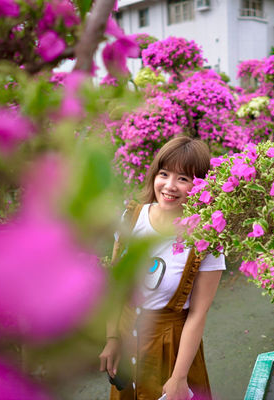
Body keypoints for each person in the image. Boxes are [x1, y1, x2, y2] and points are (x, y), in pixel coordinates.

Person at [99, 136, 225, 400]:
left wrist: (179, 377)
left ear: (199, 185)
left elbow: (197, 315)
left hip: (172, 349)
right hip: (127, 339)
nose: (170, 186)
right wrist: (112, 338)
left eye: (183, 178)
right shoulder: (131, 218)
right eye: (164, 174)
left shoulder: (206, 238)